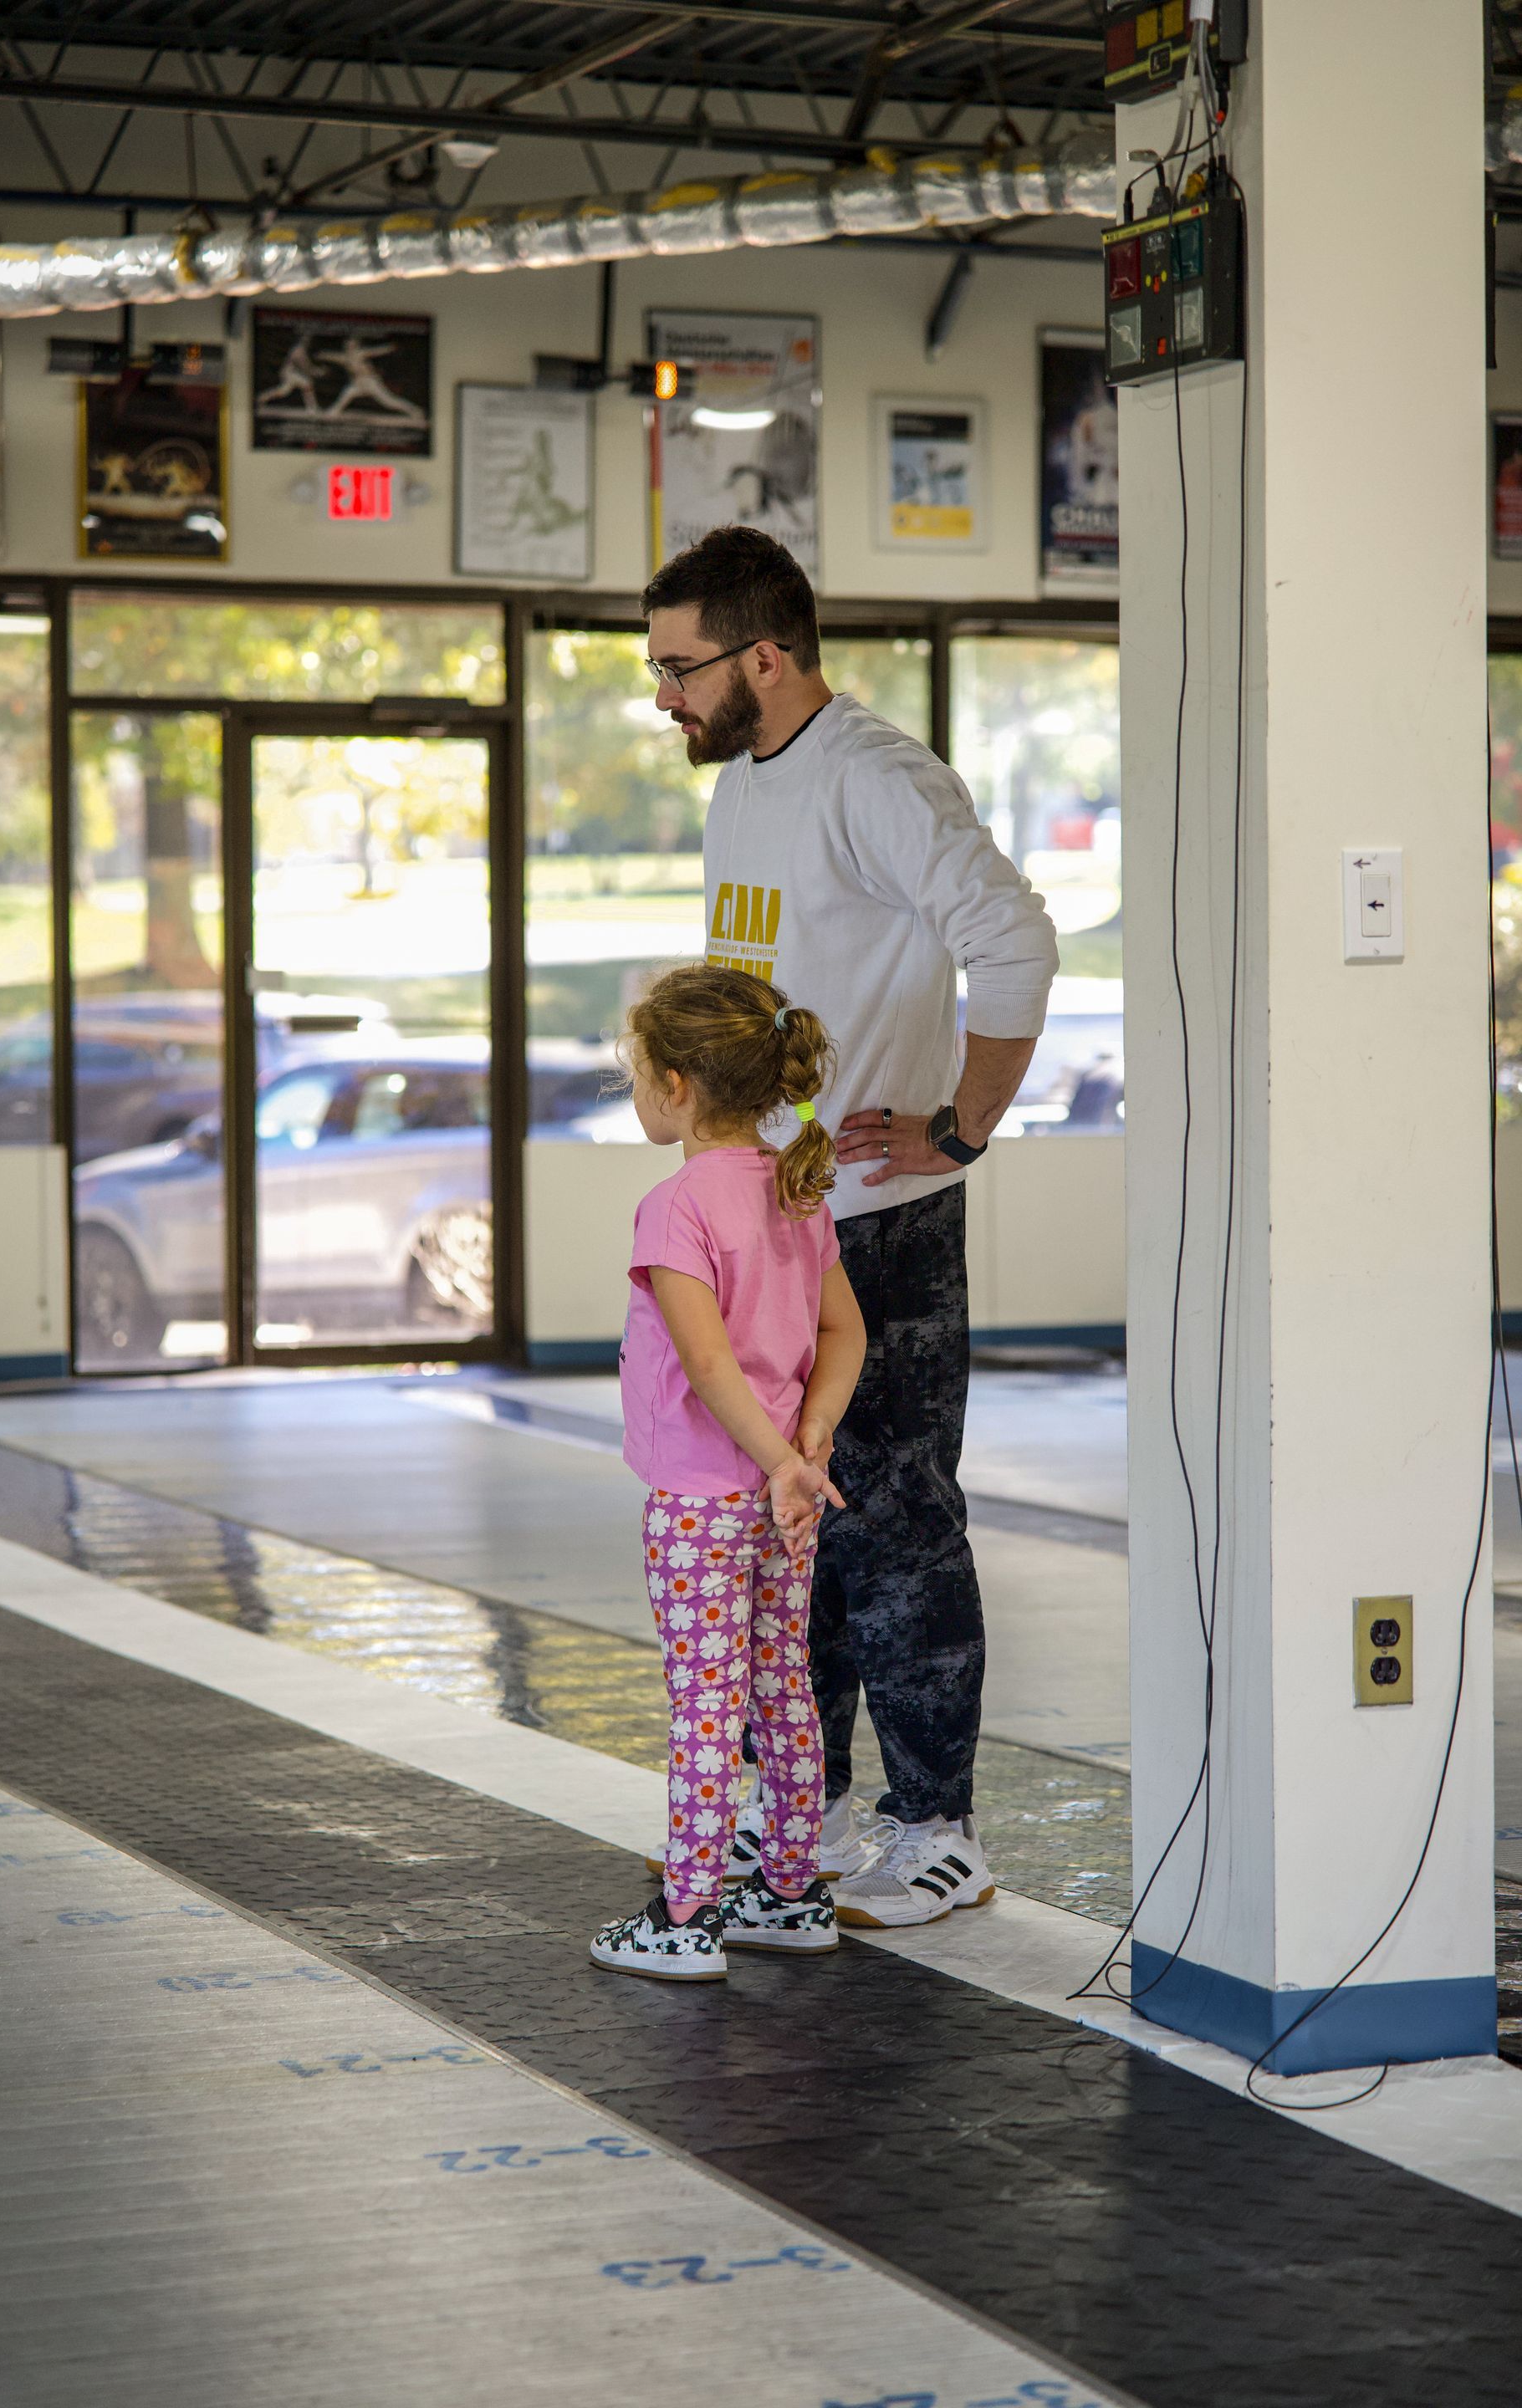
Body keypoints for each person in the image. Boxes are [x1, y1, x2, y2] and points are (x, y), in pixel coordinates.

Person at [641, 526, 1059, 1930]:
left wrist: (959, 1126)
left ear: (767, 654)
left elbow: (1014, 942)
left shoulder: (875, 778)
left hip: (878, 1223)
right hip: (774, 1213)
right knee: (784, 1521)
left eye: (680, 667)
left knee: (894, 1520)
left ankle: (938, 1829)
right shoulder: (744, 789)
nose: (664, 696)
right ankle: (799, 1802)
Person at [590, 964, 866, 1982]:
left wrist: (777, 1461)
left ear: (676, 1087)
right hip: (780, 1498)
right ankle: (791, 1895)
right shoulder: (794, 1189)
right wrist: (806, 1448)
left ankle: (689, 1911)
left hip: (704, 1499)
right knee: (783, 1685)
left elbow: (707, 1366)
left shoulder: (676, 1208)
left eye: (635, 1073)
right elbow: (846, 1331)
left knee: (705, 1701)